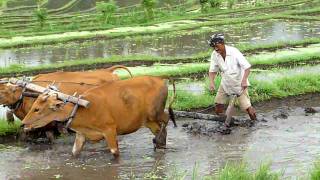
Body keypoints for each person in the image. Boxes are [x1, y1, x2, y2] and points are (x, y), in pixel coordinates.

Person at [208, 33, 257, 125]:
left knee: (247, 108)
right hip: (225, 83)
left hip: (239, 84)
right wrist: (211, 82)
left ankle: (255, 122)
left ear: (222, 43)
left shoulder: (234, 52)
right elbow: (212, 70)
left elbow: (247, 67)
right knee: (218, 104)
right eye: (213, 47)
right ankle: (223, 122)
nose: (215, 49)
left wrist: (244, 80)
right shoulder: (215, 54)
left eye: (217, 46)